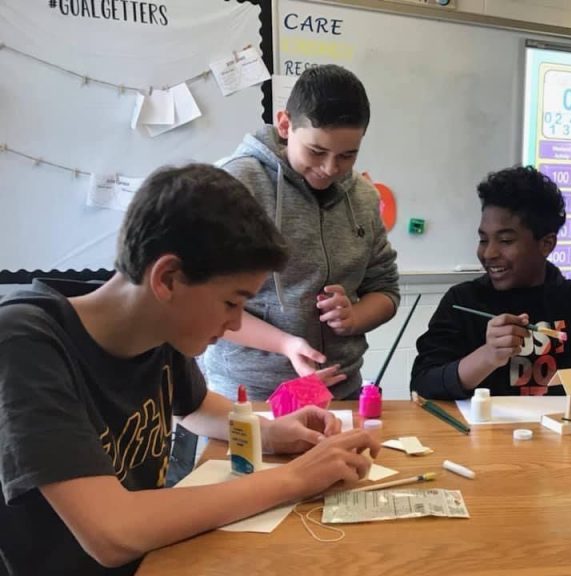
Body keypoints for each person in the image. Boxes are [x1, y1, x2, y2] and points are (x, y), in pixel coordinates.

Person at [0, 165, 381, 576]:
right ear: (167, 279)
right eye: (231, 302)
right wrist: (296, 479)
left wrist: (270, 433)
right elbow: (113, 533)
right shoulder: (25, 341)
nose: (235, 324)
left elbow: (197, 407)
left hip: (156, 558)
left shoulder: (159, 329)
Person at [204, 64, 400, 401]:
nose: (330, 168)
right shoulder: (235, 185)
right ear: (285, 124)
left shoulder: (364, 197)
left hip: (340, 390)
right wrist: (285, 344)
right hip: (251, 394)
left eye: (347, 155)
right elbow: (204, 301)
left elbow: (385, 289)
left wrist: (355, 317)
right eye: (316, 151)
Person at [411, 166, 571, 401]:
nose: (489, 253)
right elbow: (422, 384)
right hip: (482, 432)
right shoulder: (463, 301)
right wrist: (487, 356)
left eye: (505, 241)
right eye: (483, 240)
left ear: (546, 244)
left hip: (567, 431)